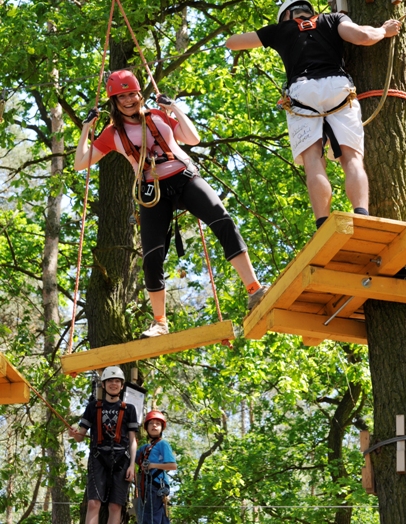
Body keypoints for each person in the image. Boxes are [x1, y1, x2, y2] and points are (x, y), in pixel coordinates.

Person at [74, 69, 268, 338]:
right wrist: (87, 128)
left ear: (140, 94)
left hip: (185, 179)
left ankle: (254, 288)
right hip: (152, 191)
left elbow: (192, 139)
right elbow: (80, 162)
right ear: (114, 102)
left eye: (132, 94)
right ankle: (160, 322)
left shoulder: (158, 116)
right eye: (122, 97)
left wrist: (174, 107)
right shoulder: (112, 134)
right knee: (152, 258)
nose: (129, 100)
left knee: (223, 221)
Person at [225, 0, 401, 229]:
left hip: (302, 93)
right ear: (309, 10)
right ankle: (362, 215)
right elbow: (362, 37)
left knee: (313, 160)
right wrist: (383, 31)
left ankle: (323, 224)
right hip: (339, 88)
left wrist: (272, 33)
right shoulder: (333, 19)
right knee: (351, 159)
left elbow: (232, 43)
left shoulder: (280, 30)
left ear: (287, 15)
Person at [68, 366, 138, 524]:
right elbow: (80, 436)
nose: (113, 384)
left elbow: (133, 440)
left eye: (117, 381)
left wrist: (132, 465)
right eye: (110, 381)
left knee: (115, 506)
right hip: (98, 458)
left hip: (121, 460)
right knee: (93, 503)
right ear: (104, 385)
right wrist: (74, 434)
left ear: (121, 385)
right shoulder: (93, 407)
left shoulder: (129, 409)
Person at [135, 410, 177, 524]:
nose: (154, 425)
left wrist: (152, 465)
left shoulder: (162, 444)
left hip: (155, 486)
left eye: (157, 424)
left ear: (162, 428)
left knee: (151, 519)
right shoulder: (144, 448)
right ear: (146, 428)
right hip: (144, 487)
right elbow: (132, 456)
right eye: (151, 423)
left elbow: (173, 466)